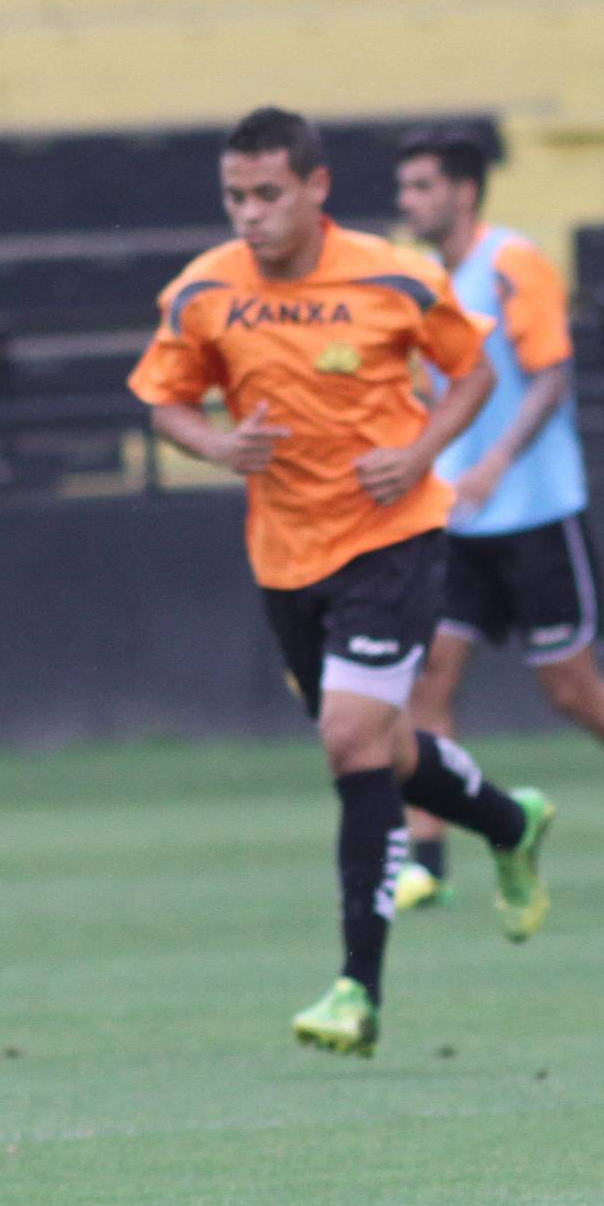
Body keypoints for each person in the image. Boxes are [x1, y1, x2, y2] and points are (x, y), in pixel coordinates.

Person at [130, 107, 556, 1058]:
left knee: (349, 737)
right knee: (382, 744)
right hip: (285, 556)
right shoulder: (204, 290)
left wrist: (420, 454)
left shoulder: (393, 275)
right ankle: (509, 821)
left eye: (268, 194)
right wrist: (217, 445)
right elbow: (164, 402)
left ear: (315, 187)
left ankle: (356, 991)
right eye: (235, 196)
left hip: (391, 537)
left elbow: (474, 375)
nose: (250, 213)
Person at [388, 130, 604, 909]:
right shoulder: (422, 279)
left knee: (571, 691)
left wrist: (496, 460)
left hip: (535, 513)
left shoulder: (513, 263)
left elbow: (551, 378)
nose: (408, 202)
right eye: (405, 188)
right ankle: (428, 862)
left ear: (463, 191)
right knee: (428, 680)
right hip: (457, 518)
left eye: (422, 186)